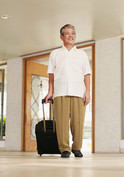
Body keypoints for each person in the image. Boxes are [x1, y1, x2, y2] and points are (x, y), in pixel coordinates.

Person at [45, 24, 91, 158]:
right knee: (61, 122)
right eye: (67, 33)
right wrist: (50, 91)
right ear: (61, 36)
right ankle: (64, 148)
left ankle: (76, 147)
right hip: (60, 92)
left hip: (78, 92)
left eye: (73, 33)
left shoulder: (81, 54)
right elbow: (51, 75)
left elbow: (87, 74)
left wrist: (87, 92)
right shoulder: (55, 54)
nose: (71, 36)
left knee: (78, 122)